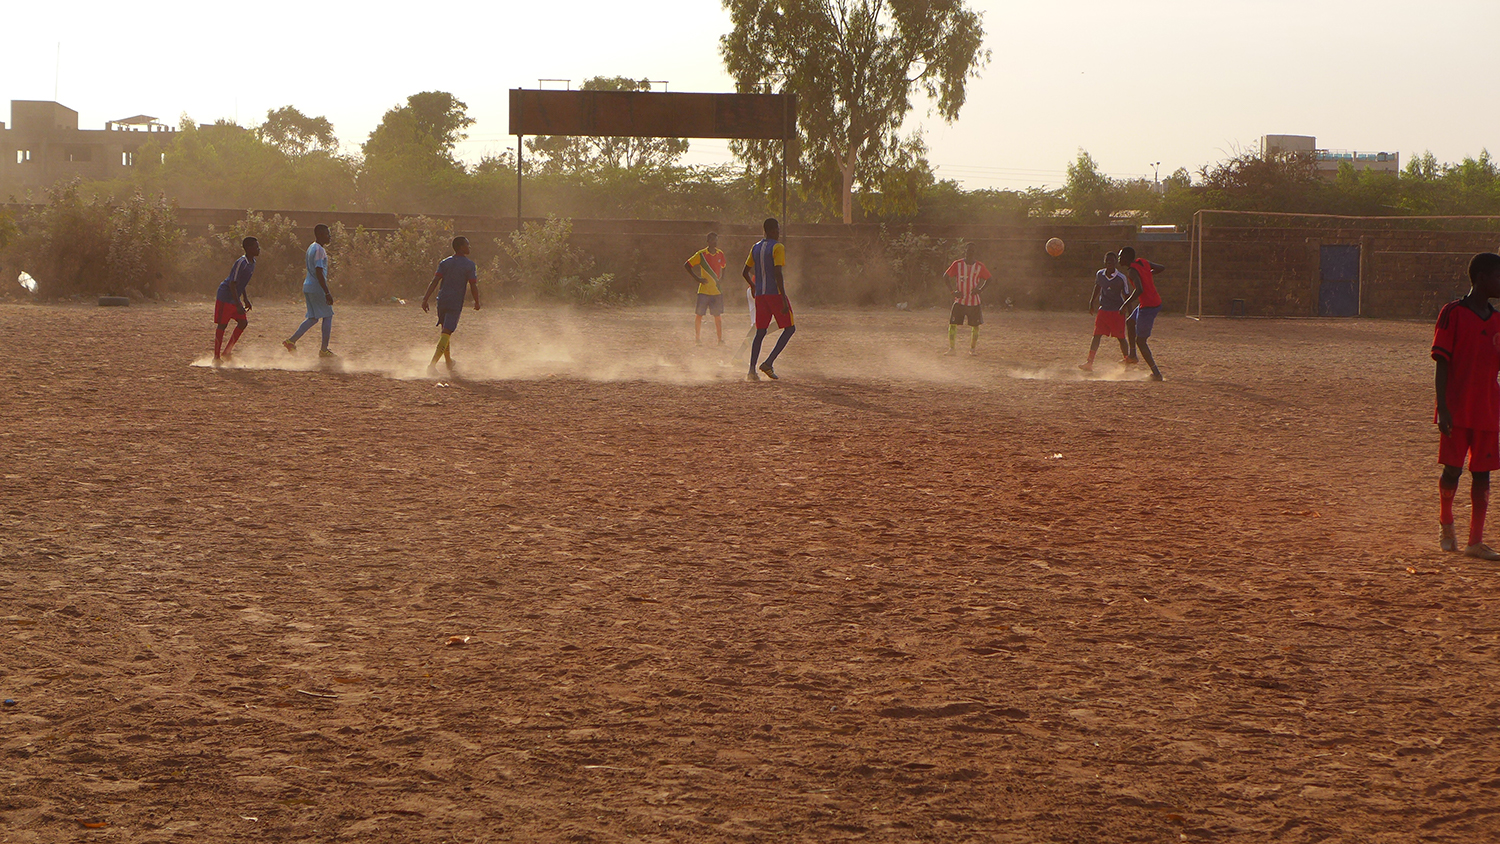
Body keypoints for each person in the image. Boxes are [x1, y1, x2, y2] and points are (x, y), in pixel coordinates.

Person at [1432, 252, 1500, 560]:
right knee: (1453, 470)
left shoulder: (1498, 319)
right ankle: (1447, 523)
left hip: (1487, 408)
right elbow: (1442, 364)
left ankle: (1475, 541)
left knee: (1483, 474)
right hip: (1457, 408)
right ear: (1483, 277)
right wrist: (1443, 408)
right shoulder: (1453, 313)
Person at [743, 217, 795, 381]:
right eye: (777, 230)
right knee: (790, 328)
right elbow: (778, 273)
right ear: (771, 231)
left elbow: (745, 272)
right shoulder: (778, 247)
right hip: (775, 294)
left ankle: (751, 371)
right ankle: (768, 362)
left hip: (760, 296)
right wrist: (784, 300)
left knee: (760, 332)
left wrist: (753, 285)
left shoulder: (755, 248)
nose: (779, 233)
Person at [421, 236, 481, 371]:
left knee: (445, 332)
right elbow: (473, 285)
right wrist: (477, 301)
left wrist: (425, 299)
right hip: (455, 302)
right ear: (461, 247)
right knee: (447, 332)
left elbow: (435, 281)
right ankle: (432, 365)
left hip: (441, 300)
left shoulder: (445, 262)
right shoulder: (469, 265)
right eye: (467, 245)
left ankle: (448, 362)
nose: (469, 247)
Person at [283, 224, 336, 358]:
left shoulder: (311, 247)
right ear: (319, 235)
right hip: (317, 287)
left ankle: (291, 341)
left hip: (308, 285)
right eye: (327, 234)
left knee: (312, 318)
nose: (329, 236)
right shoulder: (319, 250)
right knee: (328, 315)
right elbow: (319, 271)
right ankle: (324, 350)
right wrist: (327, 292)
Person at [1080, 251, 1131, 371]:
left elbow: (1127, 295)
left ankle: (1127, 360)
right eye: (1107, 261)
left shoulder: (1121, 278)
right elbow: (1098, 286)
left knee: (1121, 338)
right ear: (1104, 262)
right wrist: (1092, 301)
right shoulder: (1100, 274)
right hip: (1103, 310)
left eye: (1112, 261)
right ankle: (1089, 363)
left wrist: (1129, 313)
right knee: (1096, 335)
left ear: (1116, 263)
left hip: (1117, 312)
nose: (1109, 263)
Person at [1119, 246, 1165, 381]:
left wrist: (1125, 304)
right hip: (1150, 302)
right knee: (1130, 322)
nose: (1119, 258)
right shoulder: (1143, 262)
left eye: (1121, 256)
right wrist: (1147, 273)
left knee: (1141, 341)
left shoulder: (1132, 271)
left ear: (1127, 258)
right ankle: (1132, 355)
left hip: (1149, 306)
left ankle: (1156, 373)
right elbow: (1161, 267)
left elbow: (1139, 289)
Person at [213, 237, 259, 364]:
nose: (258, 249)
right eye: (256, 247)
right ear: (249, 249)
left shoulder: (252, 262)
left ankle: (227, 352)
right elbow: (232, 283)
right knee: (222, 325)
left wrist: (245, 299)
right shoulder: (241, 262)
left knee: (243, 322)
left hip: (235, 297)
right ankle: (216, 357)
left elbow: (241, 283)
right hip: (226, 296)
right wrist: (238, 303)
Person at [944, 243, 991, 356]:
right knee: (952, 324)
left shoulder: (979, 266)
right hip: (960, 301)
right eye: (968, 251)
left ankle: (972, 349)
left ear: (974, 253)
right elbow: (945, 276)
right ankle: (952, 349)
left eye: (972, 251)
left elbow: (989, 278)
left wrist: (979, 290)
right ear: (965, 251)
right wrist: (952, 292)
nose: (970, 253)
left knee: (975, 326)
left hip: (974, 302)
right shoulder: (957, 264)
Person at [684, 232, 728, 344]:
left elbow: (724, 266)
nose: (715, 242)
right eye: (713, 240)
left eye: (716, 240)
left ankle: (719, 339)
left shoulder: (720, 254)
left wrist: (722, 278)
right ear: (708, 241)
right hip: (703, 291)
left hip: (716, 291)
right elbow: (687, 265)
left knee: (717, 316)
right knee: (699, 315)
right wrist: (697, 278)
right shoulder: (701, 254)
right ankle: (697, 338)